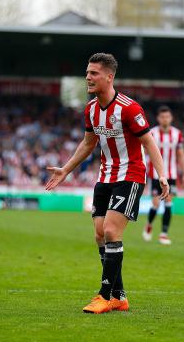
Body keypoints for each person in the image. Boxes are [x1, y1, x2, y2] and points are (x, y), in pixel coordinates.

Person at [45, 53, 169, 314]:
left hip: (131, 175)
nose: (88, 77)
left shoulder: (129, 108)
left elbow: (148, 142)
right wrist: (66, 170)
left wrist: (162, 174)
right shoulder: (90, 109)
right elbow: (89, 143)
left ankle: (104, 296)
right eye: (87, 72)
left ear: (109, 76)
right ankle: (119, 296)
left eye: (94, 73)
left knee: (113, 231)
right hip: (105, 177)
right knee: (100, 234)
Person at [142, 105, 184, 245]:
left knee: (168, 203)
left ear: (171, 118)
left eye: (167, 117)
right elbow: (144, 151)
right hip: (155, 174)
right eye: (162, 117)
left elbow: (181, 155)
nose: (165, 119)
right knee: (156, 203)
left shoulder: (177, 134)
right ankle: (149, 224)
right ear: (158, 118)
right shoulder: (152, 133)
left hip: (171, 175)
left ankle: (163, 233)